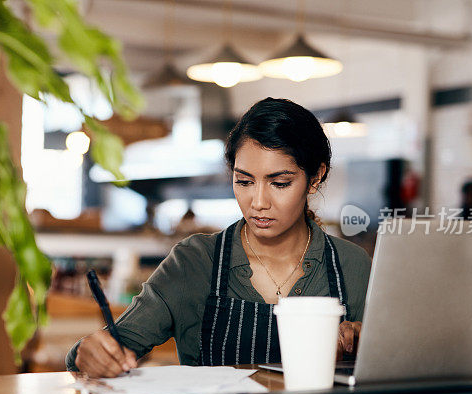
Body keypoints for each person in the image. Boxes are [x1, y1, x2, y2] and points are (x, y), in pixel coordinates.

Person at [67, 98, 372, 378]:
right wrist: (90, 354)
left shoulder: (351, 266)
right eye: (244, 181)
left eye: (279, 183)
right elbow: (112, 346)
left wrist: (366, 344)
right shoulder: (195, 262)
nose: (259, 201)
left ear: (315, 177)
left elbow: (399, 363)